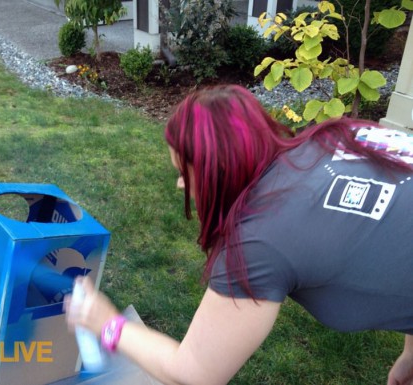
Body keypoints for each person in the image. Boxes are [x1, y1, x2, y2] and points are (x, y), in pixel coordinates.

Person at [64, 84, 413, 385]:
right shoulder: (325, 142)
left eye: (184, 172)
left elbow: (194, 373)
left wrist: (108, 324)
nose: (180, 184)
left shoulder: (260, 239)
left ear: (216, 171)